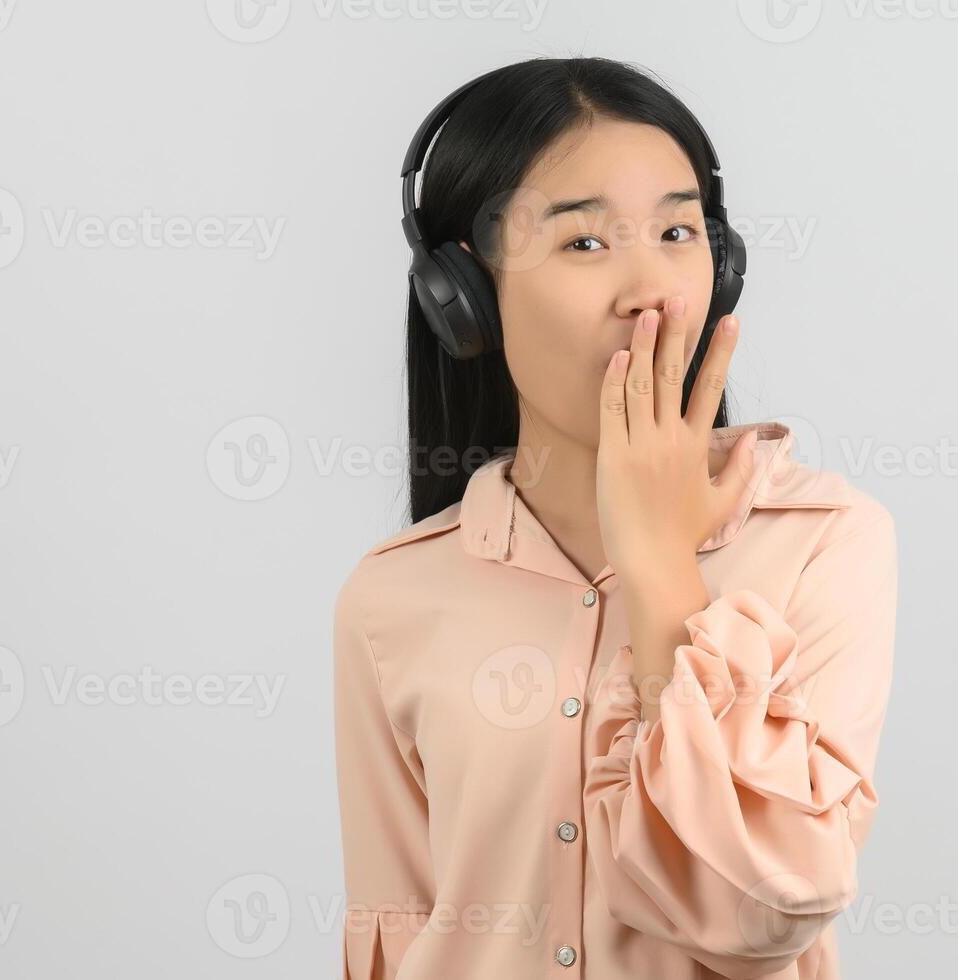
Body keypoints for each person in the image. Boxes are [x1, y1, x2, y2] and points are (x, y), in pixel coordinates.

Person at [334, 55, 898, 979]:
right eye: (585, 243)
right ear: (463, 300)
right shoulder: (389, 598)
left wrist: (658, 562)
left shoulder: (824, 541)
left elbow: (758, 911)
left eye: (677, 230)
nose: (651, 289)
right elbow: (395, 938)